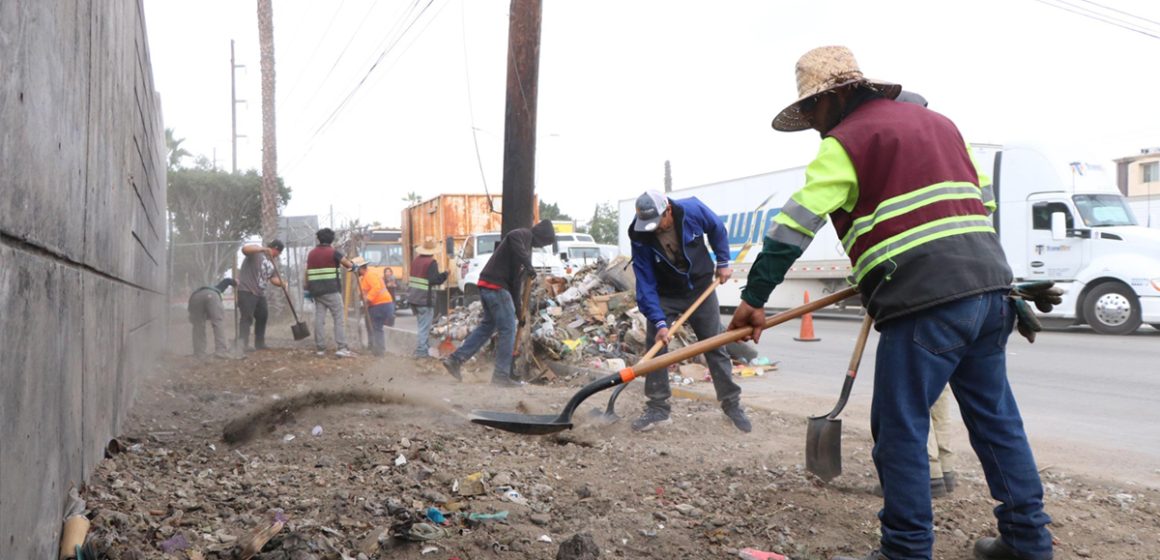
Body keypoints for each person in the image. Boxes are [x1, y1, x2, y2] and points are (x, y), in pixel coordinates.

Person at [728, 46, 1053, 560]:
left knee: (900, 430)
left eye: (811, 108)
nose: (813, 123)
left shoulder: (846, 141)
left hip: (927, 305)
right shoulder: (945, 126)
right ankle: (1028, 541)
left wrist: (753, 299)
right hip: (990, 293)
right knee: (996, 421)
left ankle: (905, 549)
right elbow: (981, 205)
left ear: (836, 96)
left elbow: (793, 227)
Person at [627, 190, 750, 433]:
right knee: (656, 347)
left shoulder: (692, 210)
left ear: (668, 211)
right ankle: (658, 409)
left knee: (715, 344)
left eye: (657, 222)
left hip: (700, 288)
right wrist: (659, 322)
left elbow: (716, 228)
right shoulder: (640, 234)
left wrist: (723, 261)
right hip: (666, 294)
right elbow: (645, 282)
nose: (653, 228)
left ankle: (732, 405)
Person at [442, 219, 555, 387]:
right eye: (544, 242)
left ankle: (455, 359)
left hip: (488, 286)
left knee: (487, 327)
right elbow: (512, 237)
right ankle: (501, 376)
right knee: (508, 329)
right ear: (541, 236)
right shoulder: (523, 235)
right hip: (496, 287)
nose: (541, 245)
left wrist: (519, 313)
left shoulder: (524, 249)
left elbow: (515, 285)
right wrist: (528, 265)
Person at [306, 228, 355, 358]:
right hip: (331, 290)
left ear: (319, 239)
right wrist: (355, 267)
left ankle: (320, 349)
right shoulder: (333, 252)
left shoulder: (311, 254)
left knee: (319, 319)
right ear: (331, 239)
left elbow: (307, 272)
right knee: (338, 318)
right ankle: (342, 347)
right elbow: (348, 265)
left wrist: (307, 289)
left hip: (316, 291)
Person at [236, 240, 285, 351]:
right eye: (279, 252)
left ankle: (260, 343)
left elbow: (273, 279)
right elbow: (245, 249)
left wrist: (282, 283)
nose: (278, 255)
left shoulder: (271, 262)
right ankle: (242, 344)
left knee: (263, 316)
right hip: (247, 291)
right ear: (275, 249)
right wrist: (263, 249)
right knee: (246, 318)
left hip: (259, 294)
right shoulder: (256, 253)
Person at [406, 238, 449, 359]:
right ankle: (421, 352)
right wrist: (445, 274)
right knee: (424, 327)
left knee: (421, 325)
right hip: (424, 299)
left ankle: (424, 347)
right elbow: (434, 280)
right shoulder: (431, 263)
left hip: (414, 298)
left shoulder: (416, 261)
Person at [352, 257, 395, 357]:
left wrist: (368, 299)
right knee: (372, 326)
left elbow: (376, 287)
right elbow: (363, 291)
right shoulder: (363, 277)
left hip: (381, 304)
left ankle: (379, 351)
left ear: (360, 268)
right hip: (377, 304)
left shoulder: (370, 275)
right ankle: (373, 347)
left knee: (376, 328)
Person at [188, 278, 236, 358]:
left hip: (194, 298)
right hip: (211, 296)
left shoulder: (201, 290)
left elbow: (192, 315)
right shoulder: (216, 290)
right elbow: (226, 281)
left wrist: (195, 319)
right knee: (217, 322)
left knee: (198, 325)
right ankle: (221, 351)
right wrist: (235, 282)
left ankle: (199, 352)